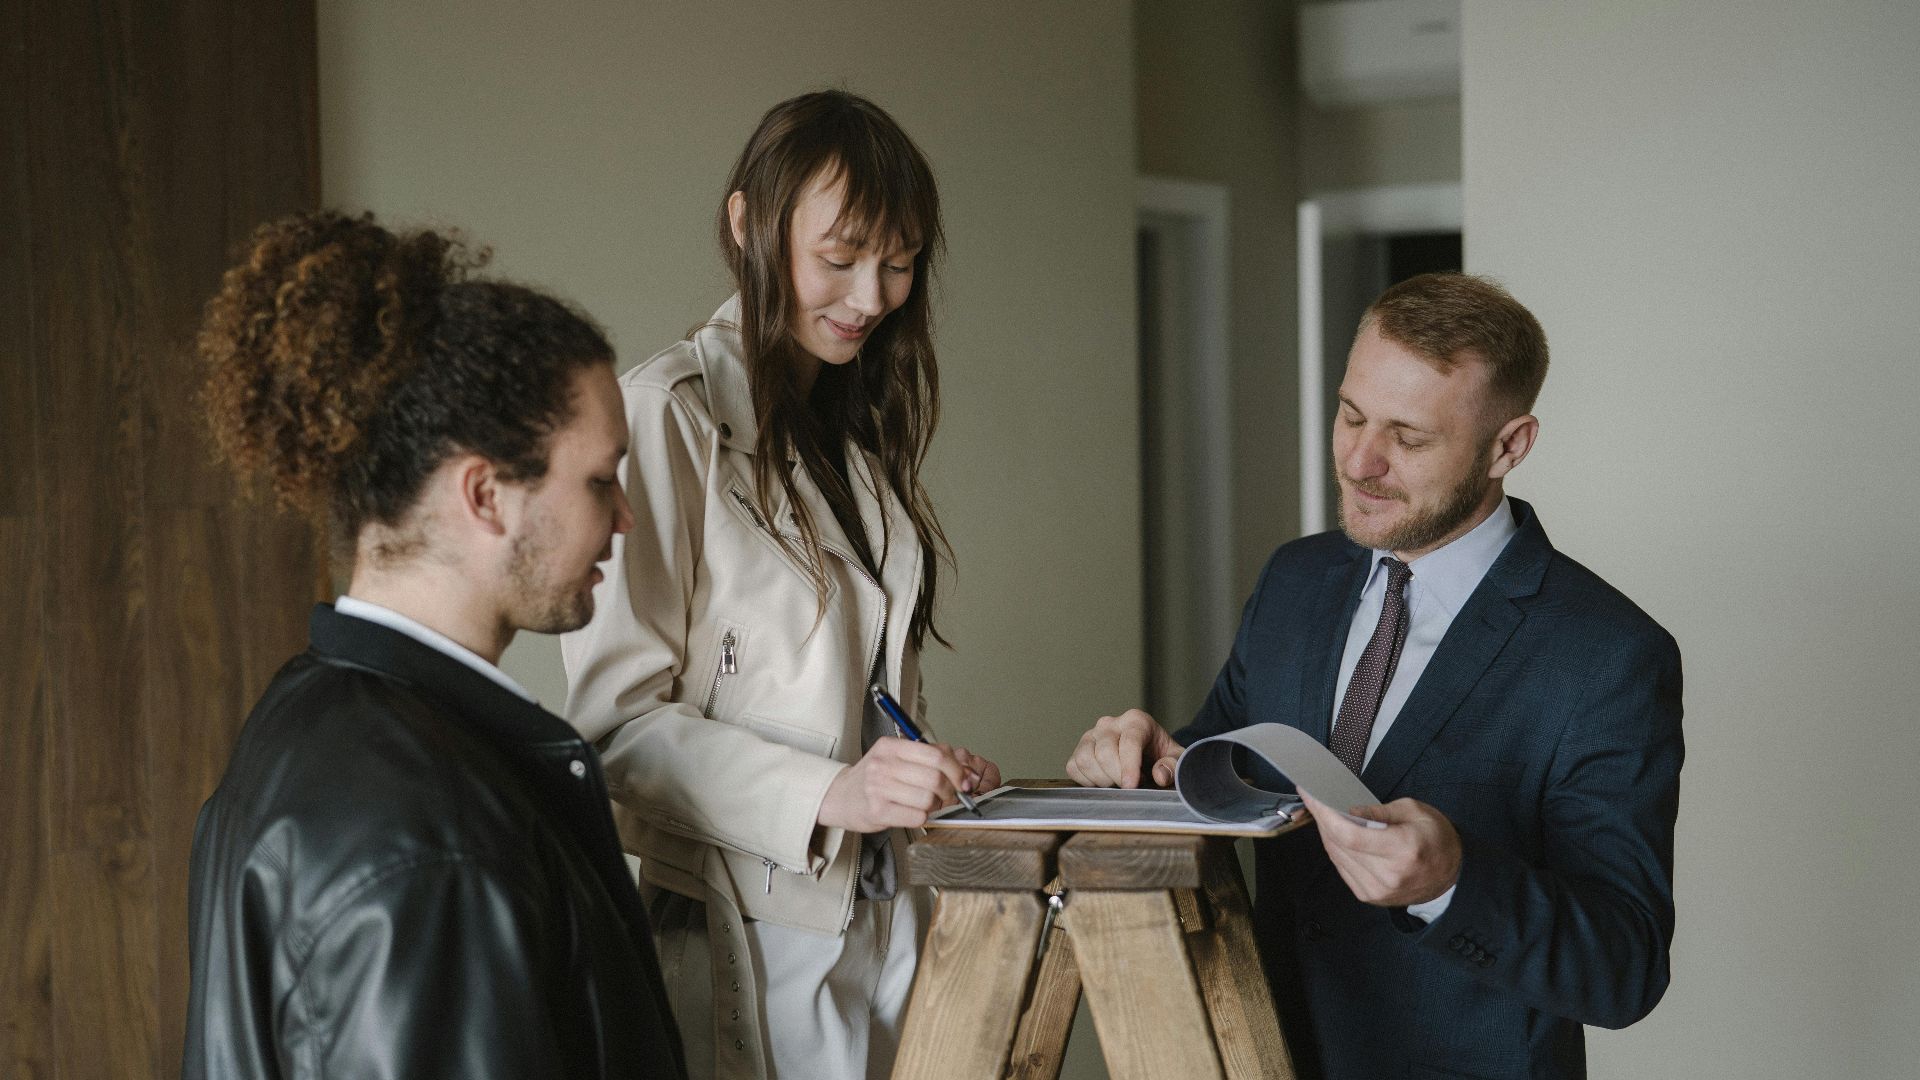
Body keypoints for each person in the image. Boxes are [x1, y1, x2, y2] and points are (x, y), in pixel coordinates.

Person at [1066, 272, 1683, 1080]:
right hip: (1261, 1056)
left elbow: (1625, 967)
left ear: (1509, 446)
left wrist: (1452, 881)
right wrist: (1153, 757)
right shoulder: (1294, 579)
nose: (1360, 461)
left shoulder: (1608, 654)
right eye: (1351, 414)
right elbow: (1225, 760)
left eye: (1409, 438)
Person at [182, 211, 684, 1079]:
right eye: (601, 480)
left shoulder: (303, 715)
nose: (626, 518)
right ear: (486, 495)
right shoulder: (435, 836)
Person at [561, 90, 999, 1080]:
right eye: (840, 257)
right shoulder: (666, 416)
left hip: (882, 917)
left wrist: (915, 767)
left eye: (899, 261)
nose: (872, 295)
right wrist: (833, 791)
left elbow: (828, 693)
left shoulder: (852, 438)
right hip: (745, 933)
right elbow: (615, 730)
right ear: (748, 223)